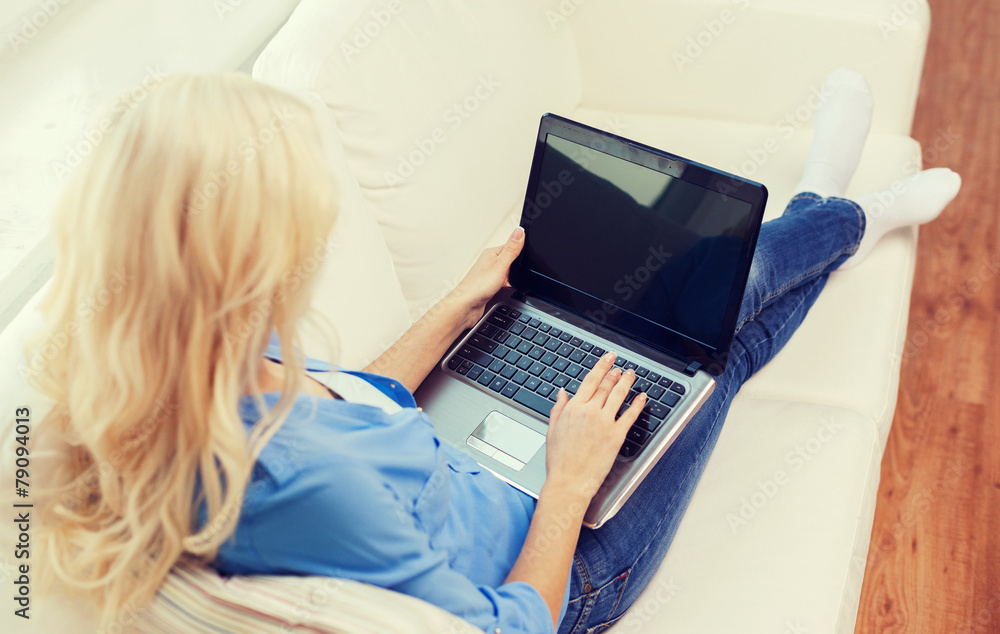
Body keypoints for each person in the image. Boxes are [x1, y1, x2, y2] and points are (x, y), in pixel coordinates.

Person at [31, 70, 961, 633]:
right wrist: (568, 480)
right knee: (712, 347)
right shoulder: (300, 491)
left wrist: (457, 305)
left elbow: (354, 403)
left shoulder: (172, 358)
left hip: (483, 466)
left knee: (686, 320)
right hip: (568, 566)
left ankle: (829, 210)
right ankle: (844, 211)